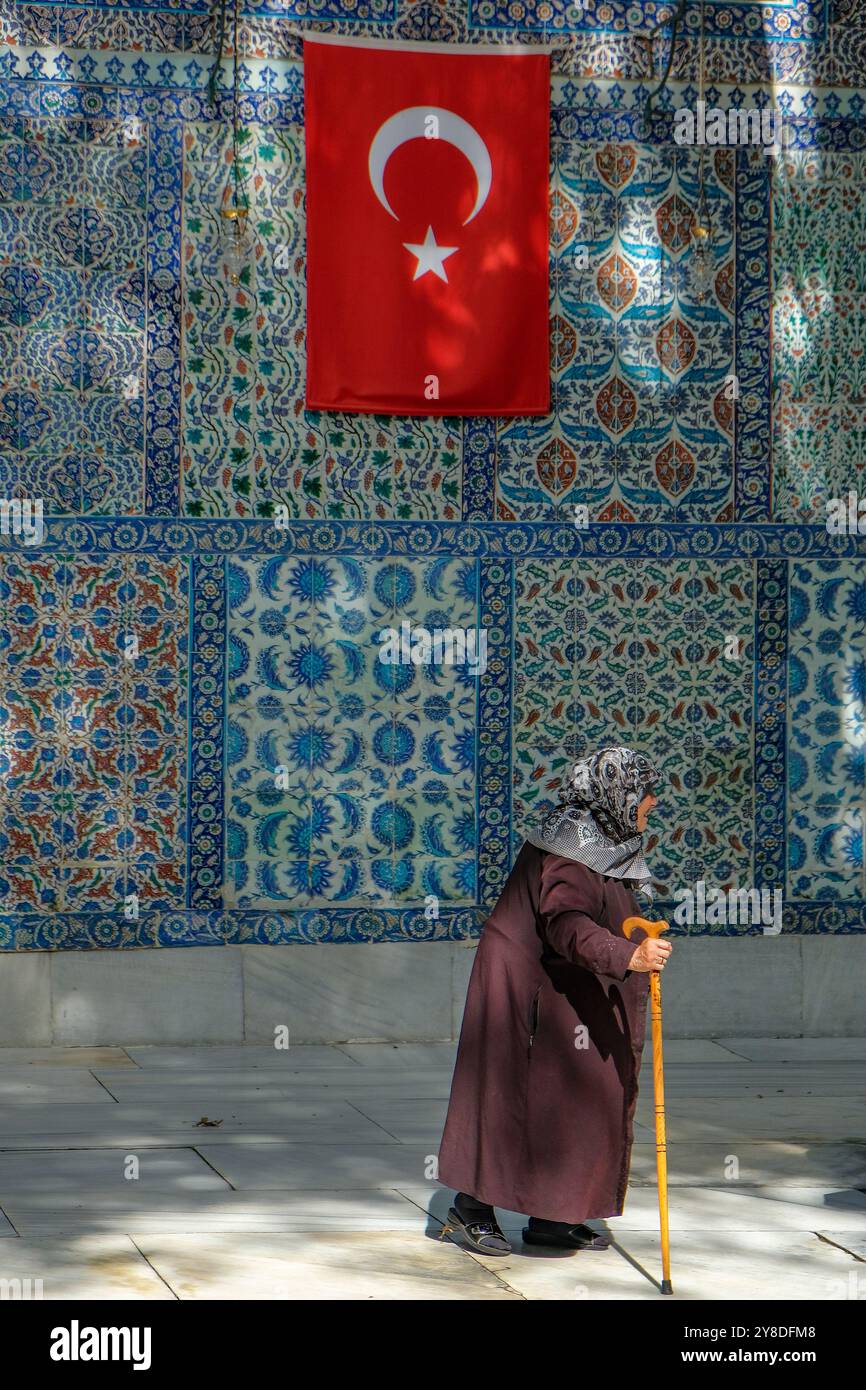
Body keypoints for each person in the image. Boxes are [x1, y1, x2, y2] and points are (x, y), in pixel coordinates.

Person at [438, 745, 671, 1255]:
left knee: (575, 1096)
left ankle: (552, 1214)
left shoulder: (602, 835)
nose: (652, 802)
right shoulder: (572, 845)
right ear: (618, 793)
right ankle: (469, 1209)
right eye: (645, 792)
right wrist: (626, 956)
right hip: (527, 987)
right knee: (512, 1095)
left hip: (568, 982)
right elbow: (565, 921)